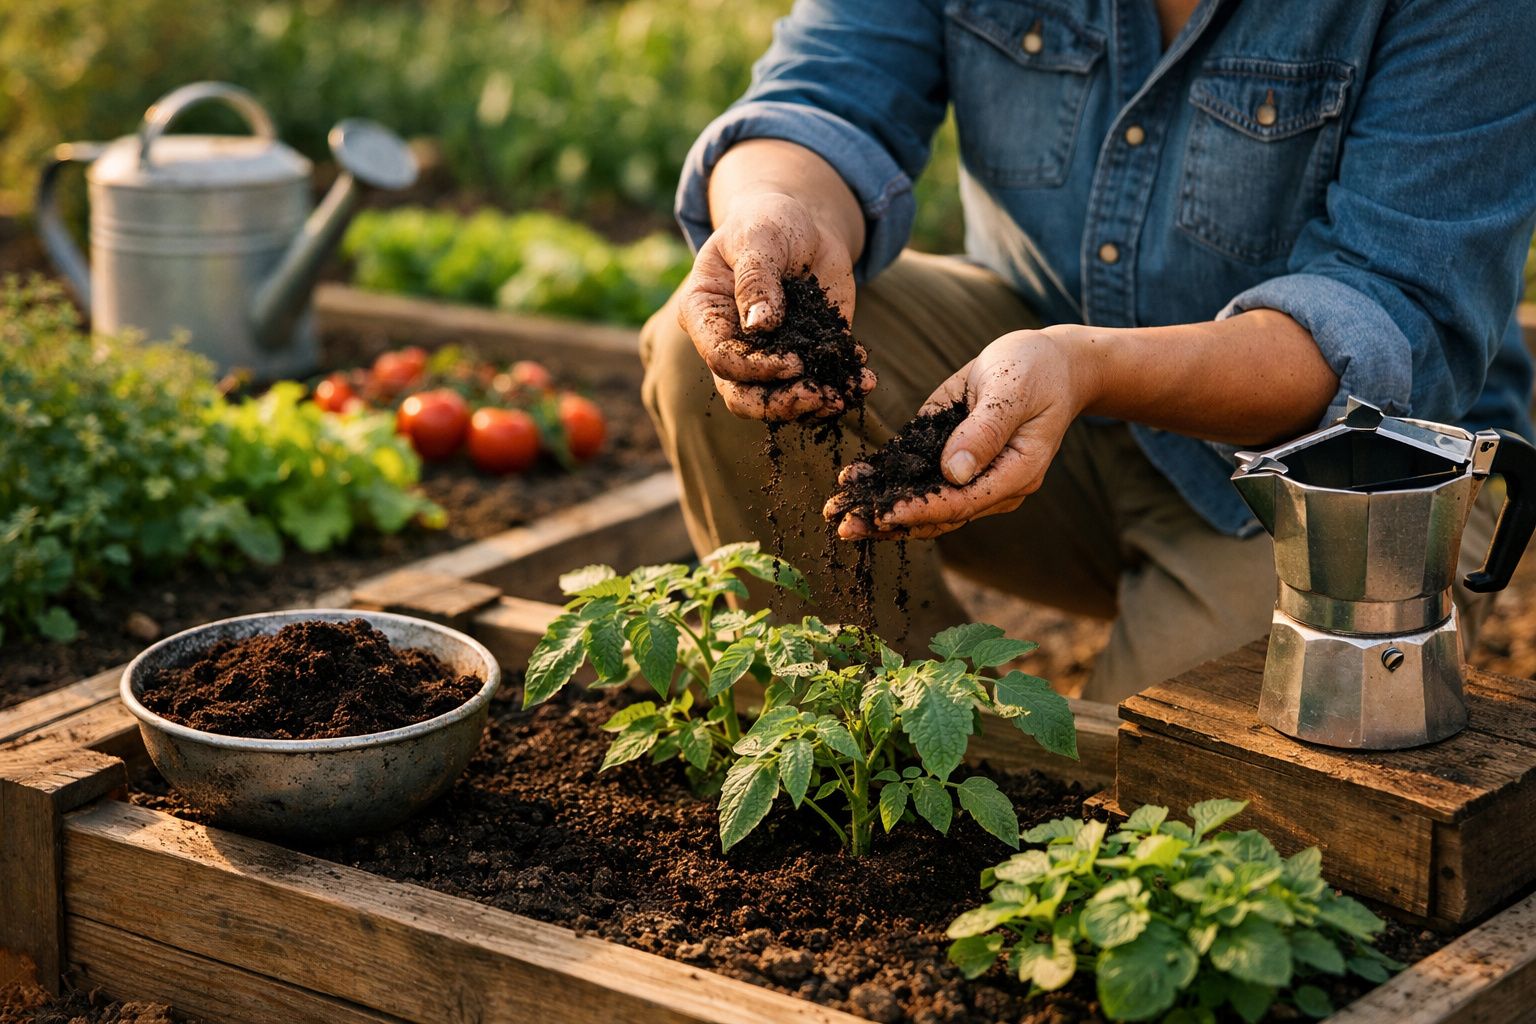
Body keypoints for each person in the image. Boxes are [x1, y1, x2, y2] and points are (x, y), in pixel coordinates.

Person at [640, 0, 1536, 702]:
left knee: (1162, 802)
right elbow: (822, 91)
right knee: (717, 352)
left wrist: (1087, 367)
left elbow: (1389, 314)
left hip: (1333, 482)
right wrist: (776, 210)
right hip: (1030, 380)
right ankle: (876, 756)